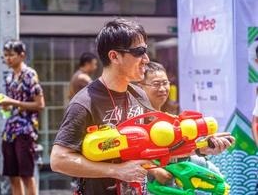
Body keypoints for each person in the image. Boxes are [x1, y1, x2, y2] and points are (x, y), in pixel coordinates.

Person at [50, 18, 234, 195]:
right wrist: (116, 171)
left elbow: (160, 146)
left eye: (145, 50)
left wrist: (201, 146)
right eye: (139, 51)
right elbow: (59, 160)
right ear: (114, 56)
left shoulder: (139, 95)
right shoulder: (85, 102)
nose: (146, 58)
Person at [139, 61, 227, 185]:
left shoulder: (171, 118)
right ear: (140, 86)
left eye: (165, 83)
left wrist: (204, 146)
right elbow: (132, 156)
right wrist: (155, 170)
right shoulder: (137, 122)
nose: (163, 89)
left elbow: (177, 151)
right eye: (156, 84)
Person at [0, 40, 45, 195]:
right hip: (10, 130)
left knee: (26, 175)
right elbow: (13, 105)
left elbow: (40, 104)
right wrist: (6, 105)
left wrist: (12, 102)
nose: (8, 58)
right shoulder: (9, 76)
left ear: (21, 55)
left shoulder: (30, 74)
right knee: (13, 176)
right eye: (5, 55)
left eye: (11, 55)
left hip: (26, 130)